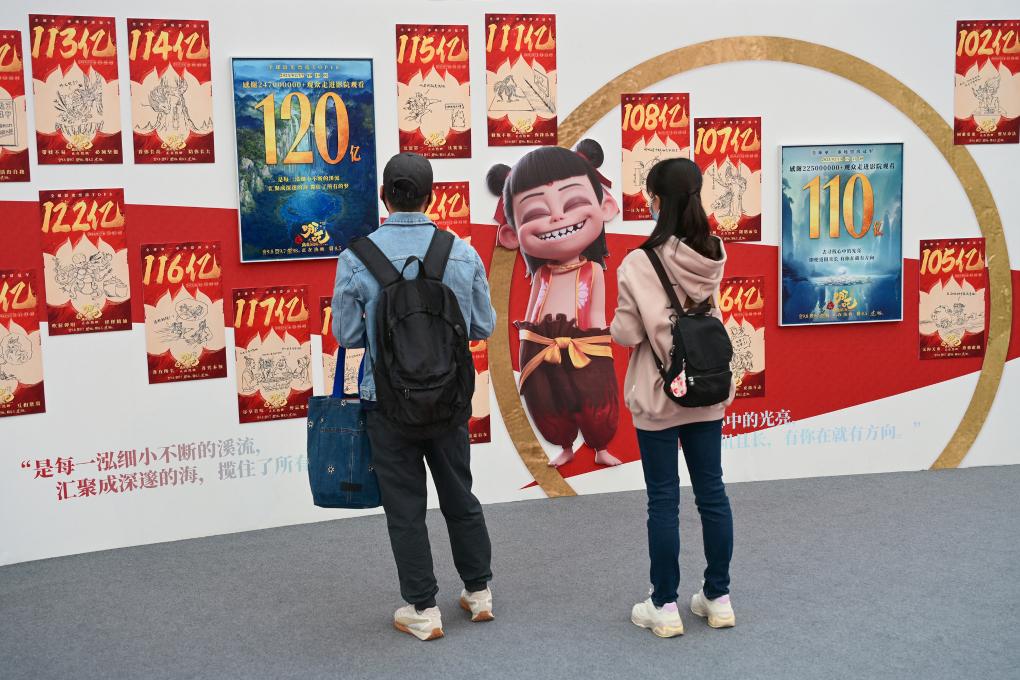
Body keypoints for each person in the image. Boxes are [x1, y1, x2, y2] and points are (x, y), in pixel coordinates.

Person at [332, 152, 497, 641]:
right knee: (460, 494)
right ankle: (479, 591)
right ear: (431, 196)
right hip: (449, 399)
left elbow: (347, 335)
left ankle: (423, 610)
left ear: (384, 196)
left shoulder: (356, 257)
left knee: (405, 508)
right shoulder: (461, 253)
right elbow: (482, 326)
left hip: (387, 403)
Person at [610, 157, 736, 638]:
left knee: (663, 501)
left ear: (658, 201)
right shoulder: (712, 252)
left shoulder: (638, 262)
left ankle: (664, 605)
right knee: (712, 493)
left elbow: (626, 333)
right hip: (706, 388)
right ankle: (718, 598)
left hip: (659, 394)